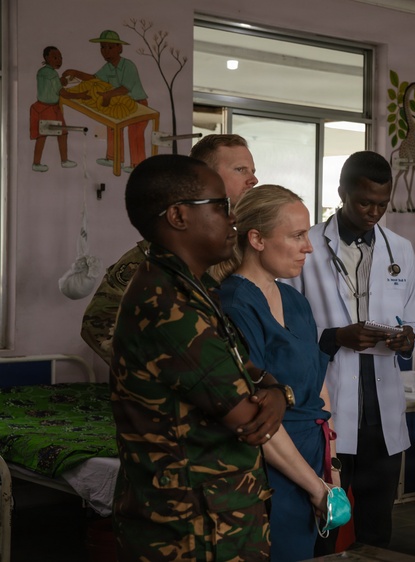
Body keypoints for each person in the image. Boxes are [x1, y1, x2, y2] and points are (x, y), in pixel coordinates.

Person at [110, 154, 298, 560]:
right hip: (191, 530)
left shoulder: (192, 289)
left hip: (214, 517)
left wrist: (278, 392)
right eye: (220, 206)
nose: (233, 218)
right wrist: (273, 394)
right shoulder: (167, 305)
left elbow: (248, 370)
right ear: (178, 216)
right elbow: (248, 417)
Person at [288, 150, 415, 550]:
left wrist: (406, 338)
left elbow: (412, 319)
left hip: (380, 409)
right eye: (364, 202)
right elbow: (287, 330)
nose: (373, 212)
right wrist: (334, 338)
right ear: (342, 192)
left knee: (377, 524)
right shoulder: (306, 246)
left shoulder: (401, 249)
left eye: (382, 204)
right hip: (328, 400)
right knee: (325, 519)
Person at [217, 185, 339, 562]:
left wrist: (331, 474)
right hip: (269, 468)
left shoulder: (295, 301)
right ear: (256, 239)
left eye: (307, 234)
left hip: (314, 460)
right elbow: (254, 414)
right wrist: (314, 488)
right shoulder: (235, 304)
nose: (309, 247)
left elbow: (319, 390)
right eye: (297, 236)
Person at [81, 134, 258, 366]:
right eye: (241, 170)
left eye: (253, 170)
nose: (253, 179)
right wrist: (166, 369)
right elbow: (97, 323)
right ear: (205, 175)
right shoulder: (164, 249)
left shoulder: (249, 240)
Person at [62, 30, 149, 172]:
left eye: (110, 47)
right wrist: (75, 72)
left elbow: (125, 88)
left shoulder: (128, 66)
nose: (105, 51)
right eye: (103, 47)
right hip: (118, 103)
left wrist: (108, 94)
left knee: (135, 132)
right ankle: (114, 158)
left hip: (137, 104)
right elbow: (94, 79)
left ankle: (137, 165)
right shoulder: (107, 67)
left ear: (119, 48)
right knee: (112, 125)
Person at [30, 46, 86, 172]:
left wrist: (60, 81)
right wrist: (80, 95)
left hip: (49, 107)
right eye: (55, 57)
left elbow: (51, 86)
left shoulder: (43, 71)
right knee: (44, 135)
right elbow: (62, 93)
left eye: (60, 57)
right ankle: (39, 163)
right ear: (46, 58)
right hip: (46, 108)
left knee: (60, 133)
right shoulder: (51, 73)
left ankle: (58, 161)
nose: (59, 60)